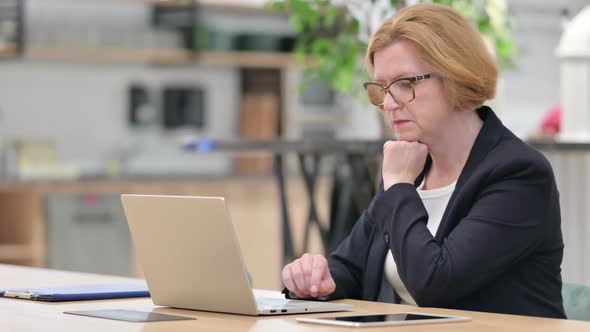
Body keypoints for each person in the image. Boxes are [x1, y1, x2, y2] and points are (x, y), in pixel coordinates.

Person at [282, 3, 565, 318]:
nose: (389, 103)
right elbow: (352, 267)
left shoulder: (518, 174)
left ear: (455, 74)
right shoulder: (411, 166)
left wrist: (400, 185)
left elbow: (435, 284)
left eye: (405, 84)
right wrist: (315, 276)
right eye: (382, 88)